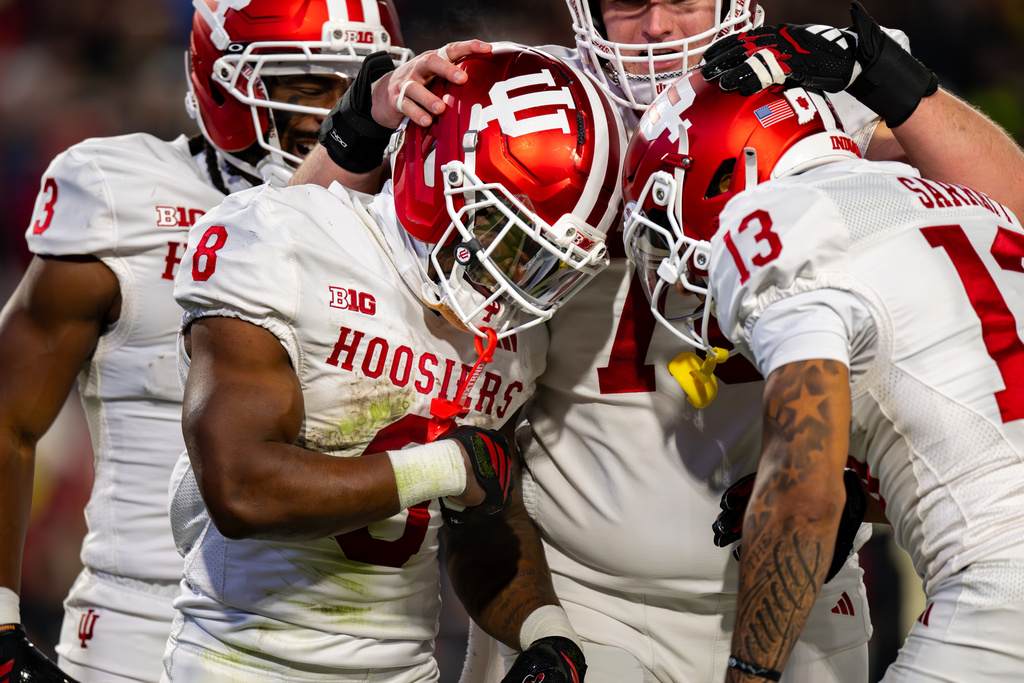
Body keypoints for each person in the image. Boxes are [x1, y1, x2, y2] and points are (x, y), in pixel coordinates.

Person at [294, 2, 1024, 681]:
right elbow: (287, 246)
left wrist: (887, 78)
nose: (655, 29)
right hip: (583, 595)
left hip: (791, 589)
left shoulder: (810, 90)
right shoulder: (527, 98)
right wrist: (364, 124)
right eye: (628, 4)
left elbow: (1005, 213)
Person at [164, 44, 625, 682]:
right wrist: (444, 465)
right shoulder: (285, 236)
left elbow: (478, 505)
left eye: (543, 260)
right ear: (437, 174)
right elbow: (241, 489)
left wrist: (548, 635)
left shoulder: (512, 333)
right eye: (506, 233)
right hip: (241, 664)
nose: (517, 276)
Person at [0, 1, 413, 680]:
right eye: (306, 84)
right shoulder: (120, 196)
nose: (339, 111)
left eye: (356, 82)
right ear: (222, 85)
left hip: (337, 645)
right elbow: (8, 414)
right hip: (139, 635)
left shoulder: (409, 219)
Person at [621, 69, 1024, 683]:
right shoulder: (970, 200)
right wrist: (861, 498)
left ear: (731, 169)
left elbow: (802, 499)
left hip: (1002, 596)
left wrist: (749, 675)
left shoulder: (778, 227)